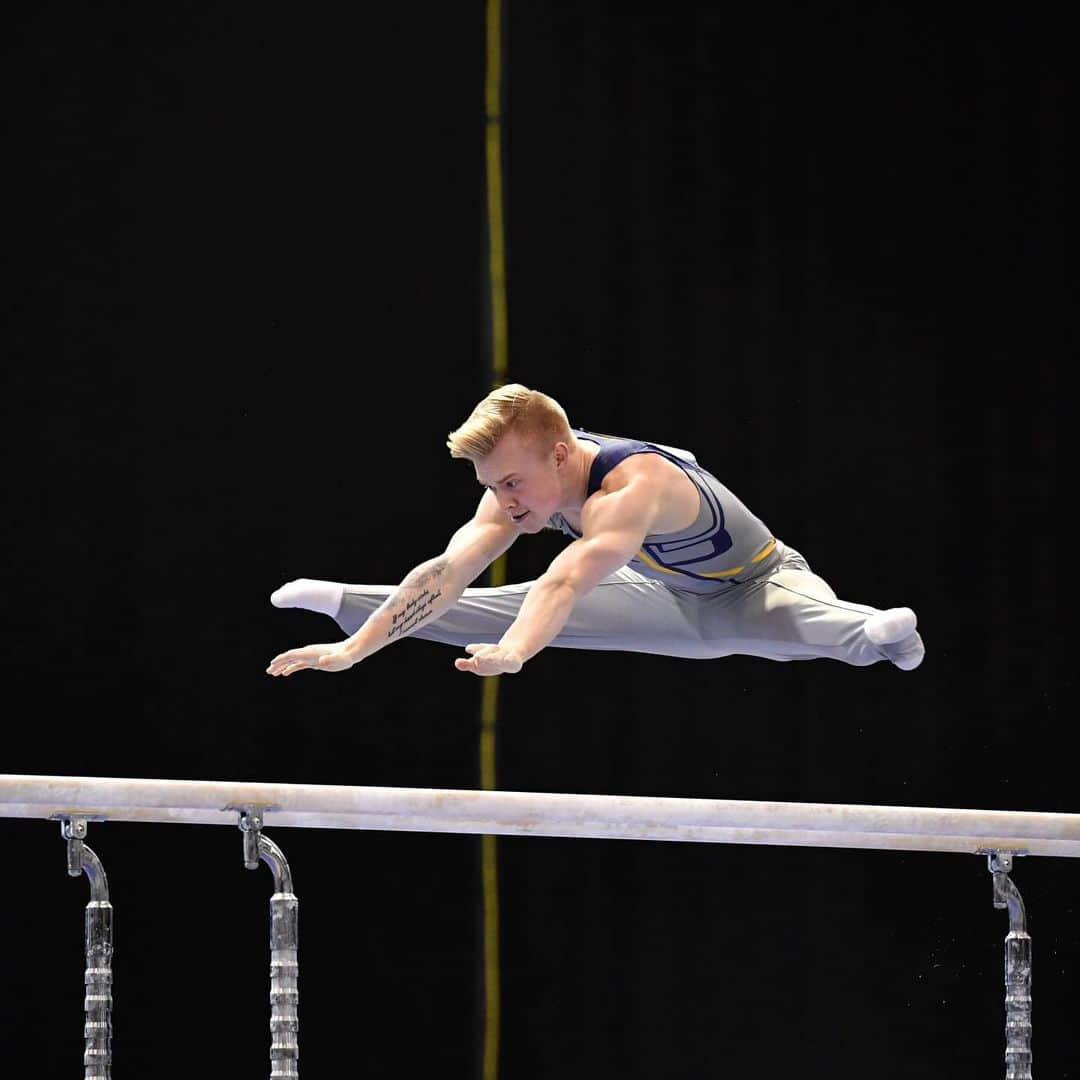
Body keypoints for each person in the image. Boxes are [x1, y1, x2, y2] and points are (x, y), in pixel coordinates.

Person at [266, 384, 924, 679]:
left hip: (751, 587)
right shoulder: (519, 488)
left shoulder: (631, 486)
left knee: (818, 625)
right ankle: (344, 608)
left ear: (559, 454)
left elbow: (565, 579)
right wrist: (353, 652)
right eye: (492, 486)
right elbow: (445, 571)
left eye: (512, 483)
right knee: (474, 605)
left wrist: (516, 653)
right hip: (656, 594)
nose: (504, 501)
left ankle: (885, 640)